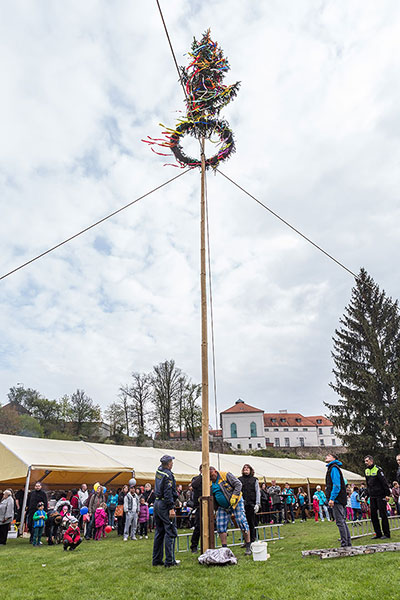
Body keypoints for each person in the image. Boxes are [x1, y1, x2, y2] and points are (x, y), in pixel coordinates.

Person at [210, 466, 252, 556]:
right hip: (222, 506)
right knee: (220, 525)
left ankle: (248, 545)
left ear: (215, 471)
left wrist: (234, 496)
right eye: (209, 476)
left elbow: (238, 484)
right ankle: (224, 548)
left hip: (236, 501)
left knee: (241, 520)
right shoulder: (208, 482)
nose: (211, 477)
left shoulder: (225, 475)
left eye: (212, 475)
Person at [152, 455, 179, 567]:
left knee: (159, 532)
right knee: (170, 531)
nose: (172, 464)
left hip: (157, 503)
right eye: (171, 462)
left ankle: (157, 560)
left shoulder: (159, 470)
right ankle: (170, 561)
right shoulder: (168, 475)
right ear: (168, 464)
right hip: (164, 504)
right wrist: (171, 508)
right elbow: (168, 492)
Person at [325, 453, 351, 547]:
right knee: (342, 521)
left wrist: (332, 498)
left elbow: (336, 485)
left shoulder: (334, 468)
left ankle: (345, 543)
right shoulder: (333, 468)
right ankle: (347, 542)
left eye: (328, 455)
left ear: (334, 458)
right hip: (339, 498)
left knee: (340, 521)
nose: (326, 456)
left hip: (337, 499)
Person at [364, 455, 391, 539]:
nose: (366, 463)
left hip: (380, 495)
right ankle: (378, 533)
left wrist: (387, 494)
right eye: (365, 461)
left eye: (367, 461)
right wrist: (367, 495)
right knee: (373, 516)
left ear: (371, 461)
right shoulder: (366, 471)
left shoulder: (378, 469)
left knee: (383, 515)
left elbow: (384, 482)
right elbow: (368, 484)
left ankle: (386, 534)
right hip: (372, 496)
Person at [238, 464, 260, 542]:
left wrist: (257, 504)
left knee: (251, 522)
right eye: (244, 468)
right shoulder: (239, 479)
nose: (246, 469)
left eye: (247, 468)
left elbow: (257, 492)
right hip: (242, 504)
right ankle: (246, 539)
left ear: (250, 470)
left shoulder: (254, 480)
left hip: (252, 503)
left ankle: (253, 539)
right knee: (243, 522)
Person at [189, 465, 202, 553]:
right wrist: (201, 476)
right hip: (199, 505)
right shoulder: (196, 478)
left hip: (209, 505)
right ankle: (194, 546)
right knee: (198, 526)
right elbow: (194, 485)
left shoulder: (210, 479)